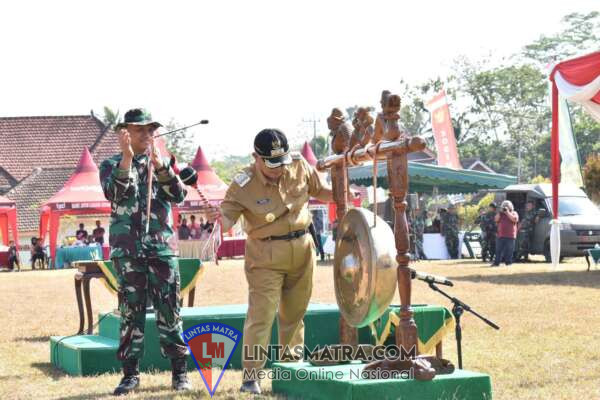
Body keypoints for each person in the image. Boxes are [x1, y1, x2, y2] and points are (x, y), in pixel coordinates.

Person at [218, 129, 335, 395]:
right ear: (256, 158)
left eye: (281, 162)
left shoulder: (298, 165)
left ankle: (289, 372)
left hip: (303, 249)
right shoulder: (243, 184)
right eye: (271, 164)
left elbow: (321, 191)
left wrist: (342, 192)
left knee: (295, 315)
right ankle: (251, 377)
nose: (279, 169)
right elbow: (226, 217)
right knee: (261, 317)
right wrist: (218, 221)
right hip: (265, 256)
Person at [99, 108, 191, 395]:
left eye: (151, 129)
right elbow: (114, 193)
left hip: (162, 249)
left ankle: (179, 372)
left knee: (170, 310)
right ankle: (130, 375)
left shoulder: (164, 163)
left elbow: (179, 195)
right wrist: (127, 158)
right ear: (124, 133)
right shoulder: (111, 164)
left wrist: (161, 166)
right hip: (128, 251)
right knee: (131, 313)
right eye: (140, 129)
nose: (147, 134)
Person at [492, 200, 519, 266]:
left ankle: (508, 262)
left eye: (507, 205)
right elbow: (496, 220)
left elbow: (515, 219)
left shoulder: (514, 213)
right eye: (504, 205)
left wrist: (507, 213)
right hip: (500, 235)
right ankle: (496, 262)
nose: (505, 207)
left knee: (509, 250)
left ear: (510, 206)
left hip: (510, 235)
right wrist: (500, 212)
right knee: (498, 250)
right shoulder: (500, 213)